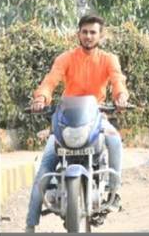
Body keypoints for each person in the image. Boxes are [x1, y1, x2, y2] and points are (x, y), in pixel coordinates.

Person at [26, 15, 129, 231]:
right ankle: (30, 225)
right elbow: (50, 80)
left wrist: (120, 97)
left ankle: (113, 189)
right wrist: (41, 98)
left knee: (114, 140)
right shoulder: (65, 58)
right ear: (78, 34)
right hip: (66, 121)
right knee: (45, 167)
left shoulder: (109, 59)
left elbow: (117, 80)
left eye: (93, 32)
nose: (89, 36)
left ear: (101, 35)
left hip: (96, 117)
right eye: (85, 32)